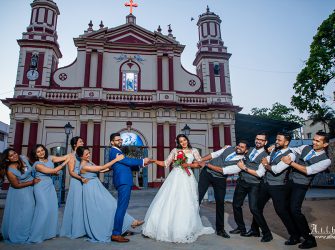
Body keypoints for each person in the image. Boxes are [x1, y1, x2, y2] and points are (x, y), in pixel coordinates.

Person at [142, 134, 215, 243]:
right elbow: (166, 163)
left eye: (184, 140)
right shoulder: (175, 151)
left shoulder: (193, 150)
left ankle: (184, 228)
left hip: (187, 178)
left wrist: (188, 165)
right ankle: (166, 228)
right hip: (175, 177)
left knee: (186, 201)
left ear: (187, 140)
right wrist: (153, 161)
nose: (183, 142)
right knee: (170, 200)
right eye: (181, 141)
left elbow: (200, 164)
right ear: (178, 143)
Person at [242, 132, 301, 245]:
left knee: (281, 211)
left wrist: (265, 164)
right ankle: (256, 231)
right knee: (256, 208)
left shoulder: (290, 155)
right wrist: (267, 157)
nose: (277, 142)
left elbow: (276, 170)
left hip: (278, 187)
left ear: (286, 142)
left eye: (279, 140)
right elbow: (269, 159)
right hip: (266, 184)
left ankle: (295, 236)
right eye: (276, 139)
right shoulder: (275, 150)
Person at [77, 146, 143, 242]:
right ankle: (128, 224)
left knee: (113, 206)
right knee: (107, 207)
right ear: (80, 156)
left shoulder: (89, 163)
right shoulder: (84, 166)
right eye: (86, 154)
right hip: (91, 190)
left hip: (97, 187)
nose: (89, 155)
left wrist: (114, 166)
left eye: (89, 153)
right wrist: (116, 160)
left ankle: (127, 224)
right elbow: (101, 167)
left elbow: (102, 170)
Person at [281, 132, 331, 249]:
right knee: (284, 208)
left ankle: (310, 239)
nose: (314, 142)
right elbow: (293, 150)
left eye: (318, 141)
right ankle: (295, 235)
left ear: (325, 144)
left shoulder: (326, 160)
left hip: (301, 185)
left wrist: (291, 163)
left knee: (295, 210)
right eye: (314, 139)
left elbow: (308, 170)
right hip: (291, 181)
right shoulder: (305, 147)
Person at [199, 141, 249, 239]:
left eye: (242, 147)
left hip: (220, 179)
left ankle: (220, 230)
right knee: (198, 198)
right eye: (239, 145)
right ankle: (190, 224)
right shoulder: (228, 148)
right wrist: (200, 160)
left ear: (246, 151)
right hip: (206, 174)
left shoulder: (240, 164)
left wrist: (206, 164)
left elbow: (223, 170)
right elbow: (214, 154)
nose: (239, 147)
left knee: (220, 203)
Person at [229, 132, 273, 242]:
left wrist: (244, 168)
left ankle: (267, 233)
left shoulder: (266, 156)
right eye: (257, 139)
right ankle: (241, 228)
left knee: (254, 209)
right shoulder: (250, 149)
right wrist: (228, 148)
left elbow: (260, 174)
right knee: (236, 205)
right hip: (242, 182)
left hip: (255, 185)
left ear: (265, 142)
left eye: (261, 140)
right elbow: (238, 150)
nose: (258, 141)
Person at [109, 133, 151, 243]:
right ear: (112, 142)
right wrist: (142, 161)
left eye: (120, 140)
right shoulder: (114, 151)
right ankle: (116, 233)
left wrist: (140, 165)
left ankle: (120, 230)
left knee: (122, 207)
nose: (120, 141)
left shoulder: (118, 151)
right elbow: (127, 161)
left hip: (123, 181)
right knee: (122, 207)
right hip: (123, 181)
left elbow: (125, 164)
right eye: (117, 140)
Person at [28, 144, 71, 243]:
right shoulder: (37, 164)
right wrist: (66, 162)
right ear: (35, 155)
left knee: (52, 209)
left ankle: (49, 233)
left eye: (42, 150)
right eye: (38, 152)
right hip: (40, 187)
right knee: (44, 209)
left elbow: (63, 157)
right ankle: (36, 235)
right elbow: (53, 170)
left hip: (49, 186)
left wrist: (73, 152)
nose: (41, 152)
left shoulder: (50, 158)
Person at [1, 148, 40, 243]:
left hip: (32, 188)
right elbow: (16, 185)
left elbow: (35, 165)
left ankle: (32, 231)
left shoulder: (23, 158)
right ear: (7, 159)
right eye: (11, 156)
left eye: (14, 153)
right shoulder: (10, 170)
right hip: (20, 192)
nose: (14, 156)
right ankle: (22, 234)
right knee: (25, 212)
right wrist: (32, 182)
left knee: (34, 210)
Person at [60, 136, 87, 239]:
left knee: (83, 204)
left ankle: (83, 227)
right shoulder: (71, 156)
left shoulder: (83, 154)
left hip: (84, 180)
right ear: (75, 144)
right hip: (77, 181)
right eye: (81, 141)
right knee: (77, 204)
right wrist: (81, 178)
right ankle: (76, 229)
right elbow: (71, 172)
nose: (83, 142)